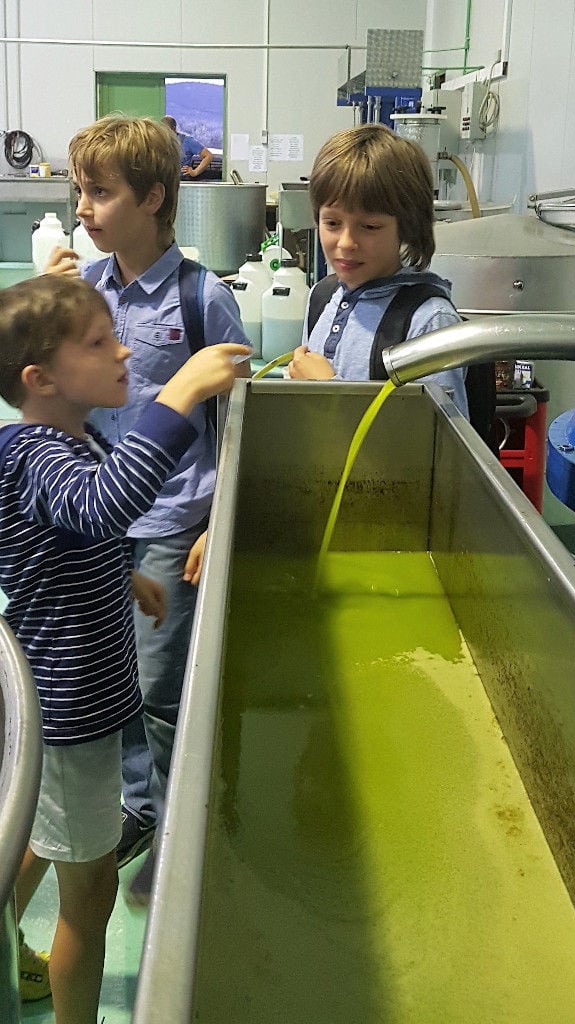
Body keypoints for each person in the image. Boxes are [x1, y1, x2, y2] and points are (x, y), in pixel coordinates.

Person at [0, 274, 249, 1023]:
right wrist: (177, 396)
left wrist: (126, 576)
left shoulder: (70, 436)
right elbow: (103, 501)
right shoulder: (37, 454)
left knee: (41, 834)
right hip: (69, 710)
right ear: (40, 380)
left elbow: (79, 534)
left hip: (71, 702)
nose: (123, 353)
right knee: (91, 897)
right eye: (99, 344)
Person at [45, 114, 251, 902]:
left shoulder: (205, 299)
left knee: (161, 692)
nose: (84, 208)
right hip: (98, 523)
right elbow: (52, 400)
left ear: (154, 196)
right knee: (112, 683)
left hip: (171, 523)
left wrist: (214, 526)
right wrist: (48, 304)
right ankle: (137, 805)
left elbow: (233, 429)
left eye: (100, 193)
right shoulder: (83, 292)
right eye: (80, 191)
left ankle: (173, 831)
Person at [287, 122, 468, 416]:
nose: (346, 243)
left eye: (369, 226)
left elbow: (441, 445)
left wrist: (331, 389)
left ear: (407, 226)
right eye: (332, 223)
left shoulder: (428, 321)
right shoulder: (322, 297)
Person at [161, 114, 213, 179]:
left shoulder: (187, 141)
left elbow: (209, 156)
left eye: (167, 131)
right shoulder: (160, 142)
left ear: (174, 128)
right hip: (165, 181)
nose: (165, 134)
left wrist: (195, 172)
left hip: (182, 182)